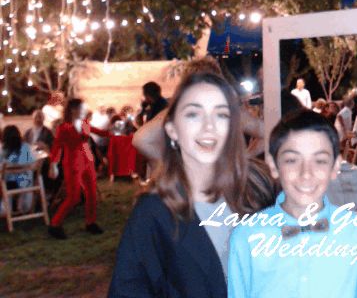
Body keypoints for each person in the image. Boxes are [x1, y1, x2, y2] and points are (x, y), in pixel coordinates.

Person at [109, 68, 275, 297]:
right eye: (193, 114)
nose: (209, 126)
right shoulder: (154, 213)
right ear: (172, 130)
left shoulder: (259, 194)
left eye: (221, 115)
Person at [228, 110, 357, 298]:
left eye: (319, 161)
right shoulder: (245, 236)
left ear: (335, 167)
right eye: (292, 160)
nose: (306, 173)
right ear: (274, 165)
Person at [47, 98, 103, 239]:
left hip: (87, 162)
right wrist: (53, 165)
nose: (85, 110)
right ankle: (55, 224)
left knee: (92, 193)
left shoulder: (84, 123)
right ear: (73, 110)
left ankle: (91, 222)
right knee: (74, 197)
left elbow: (92, 136)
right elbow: (57, 146)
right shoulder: (64, 128)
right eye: (82, 108)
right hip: (72, 164)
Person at [0, 125, 35, 213]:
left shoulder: (3, 150)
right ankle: (19, 205)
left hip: (8, 184)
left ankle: (6, 207)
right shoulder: (26, 147)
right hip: (25, 182)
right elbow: (31, 165)